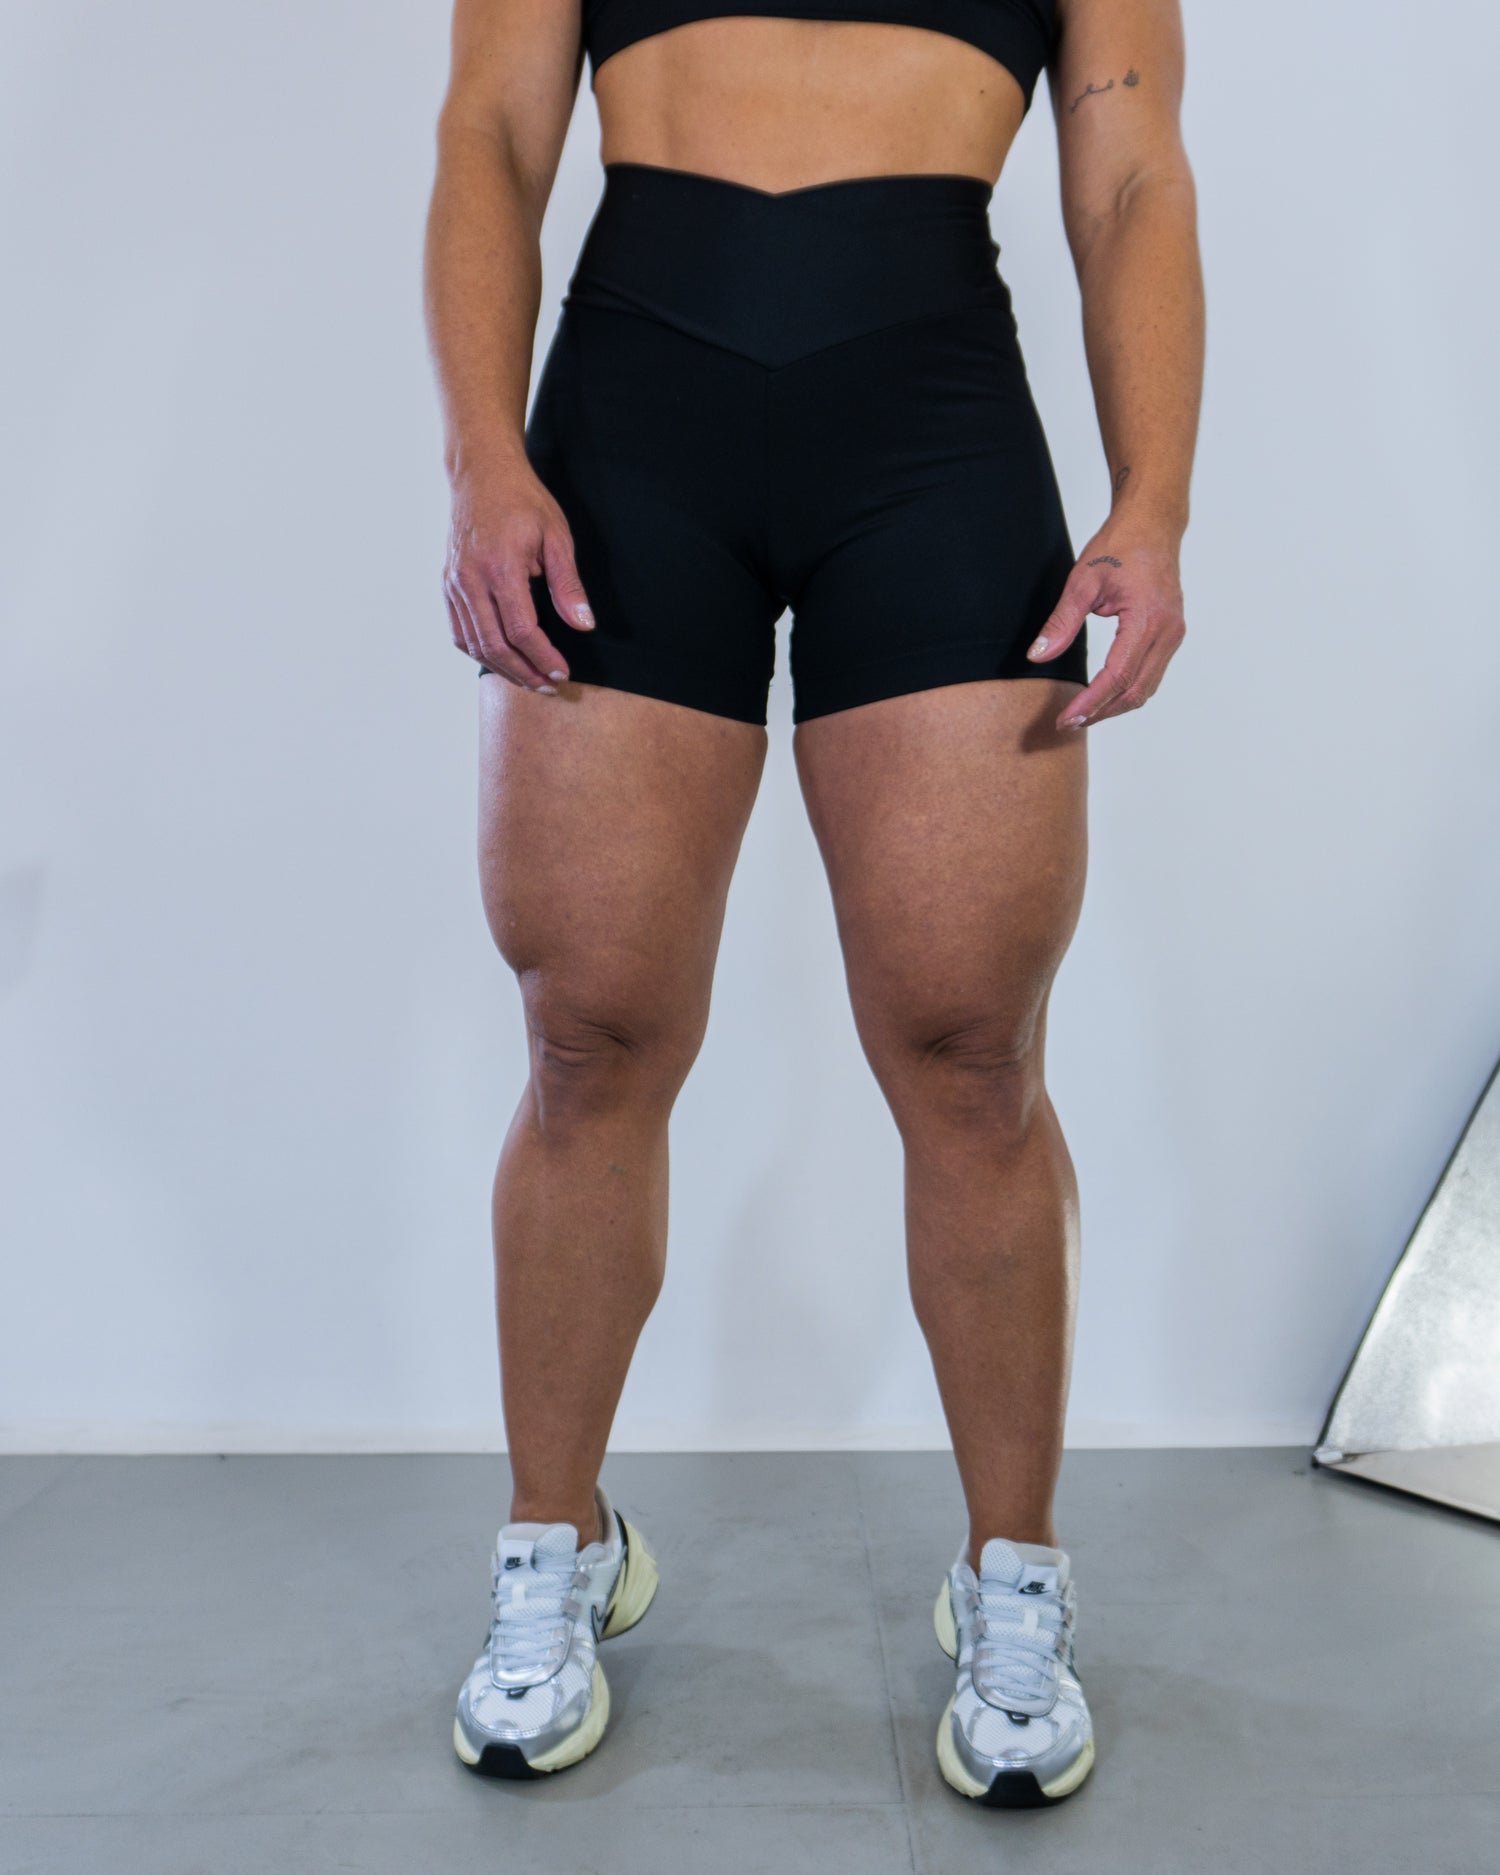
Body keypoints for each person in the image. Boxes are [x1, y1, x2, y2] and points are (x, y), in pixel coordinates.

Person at [424, 0, 1203, 1807]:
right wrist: (482, 459)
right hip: (633, 435)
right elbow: (492, 134)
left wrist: (1153, 501)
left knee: (973, 1052)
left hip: (929, 439)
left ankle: (1013, 1576)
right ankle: (555, 1549)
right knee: (587, 1034)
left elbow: (1132, 179)